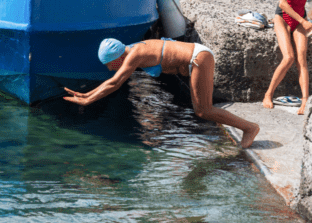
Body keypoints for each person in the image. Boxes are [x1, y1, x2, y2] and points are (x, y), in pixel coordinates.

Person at [63, 38, 261, 148]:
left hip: (198, 58)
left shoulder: (135, 54)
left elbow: (115, 82)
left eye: (109, 64)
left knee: (203, 110)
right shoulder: (133, 50)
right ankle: (248, 128)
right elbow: (112, 80)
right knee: (202, 110)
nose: (109, 69)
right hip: (197, 57)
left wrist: (88, 99)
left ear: (116, 58)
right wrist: (86, 95)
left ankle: (249, 128)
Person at [262, 0, 312, 115]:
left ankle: (305, 100)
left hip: (300, 17)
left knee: (302, 59)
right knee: (289, 57)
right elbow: (283, 3)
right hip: (283, 17)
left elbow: (303, 1)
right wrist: (303, 21)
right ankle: (268, 94)